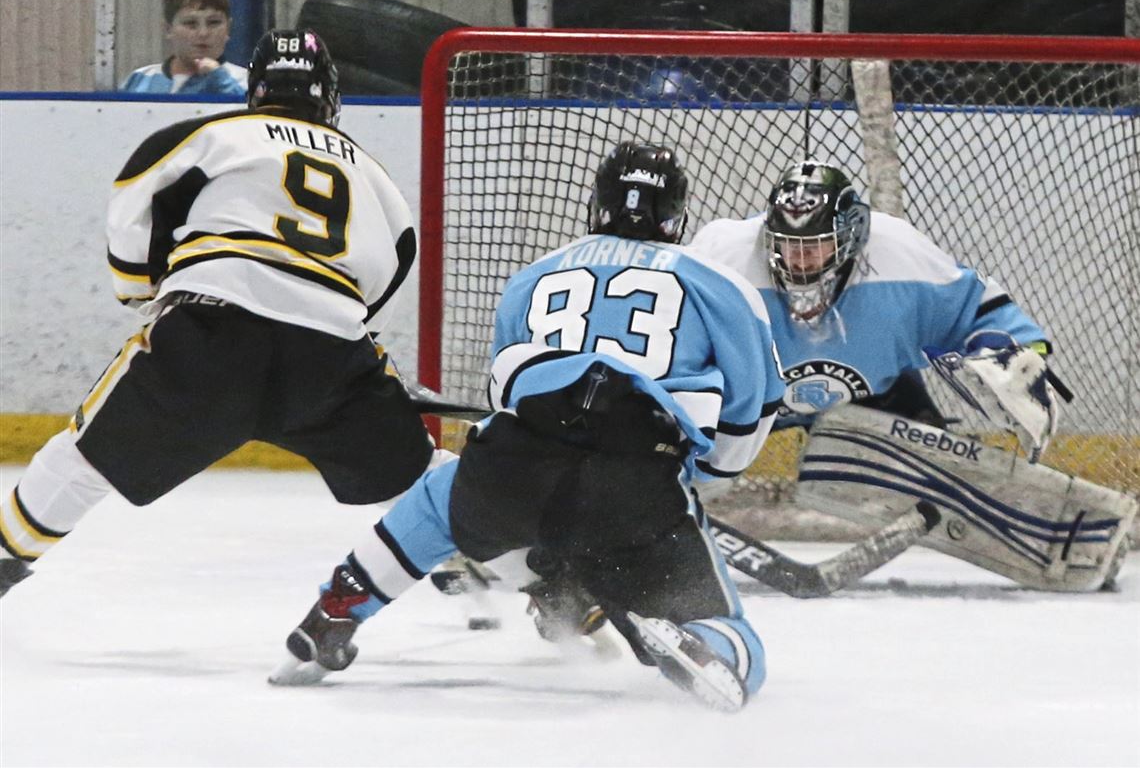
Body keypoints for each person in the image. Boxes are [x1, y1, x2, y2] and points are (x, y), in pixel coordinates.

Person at [269, 142, 787, 712]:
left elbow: (502, 398)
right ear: (677, 216)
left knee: (445, 494)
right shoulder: (721, 285)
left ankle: (339, 608)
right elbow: (754, 405)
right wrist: (707, 472)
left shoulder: (534, 277)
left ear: (597, 205)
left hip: (516, 462)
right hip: (633, 484)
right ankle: (704, 639)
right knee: (726, 622)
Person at [0, 29, 434, 599]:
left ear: (256, 87)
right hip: (328, 351)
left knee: (84, 458)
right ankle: (523, 579)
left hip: (210, 329)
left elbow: (138, 188)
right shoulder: (375, 175)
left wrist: (142, 287)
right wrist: (344, 331)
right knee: (420, 477)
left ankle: (4, 560)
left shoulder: (211, 133)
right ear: (329, 94)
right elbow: (396, 263)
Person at [688, 159, 1059, 458]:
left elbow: (975, 308)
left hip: (874, 397)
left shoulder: (898, 253)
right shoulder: (724, 257)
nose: (799, 260)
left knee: (934, 461)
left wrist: (1020, 356)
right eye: (788, 245)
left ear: (851, 236)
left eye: (815, 245)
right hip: (750, 400)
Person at [120, 0, 247, 95]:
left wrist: (221, 81)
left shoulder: (246, 82)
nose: (203, 33)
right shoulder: (140, 80)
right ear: (168, 29)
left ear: (228, 28)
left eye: (213, 23)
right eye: (190, 23)